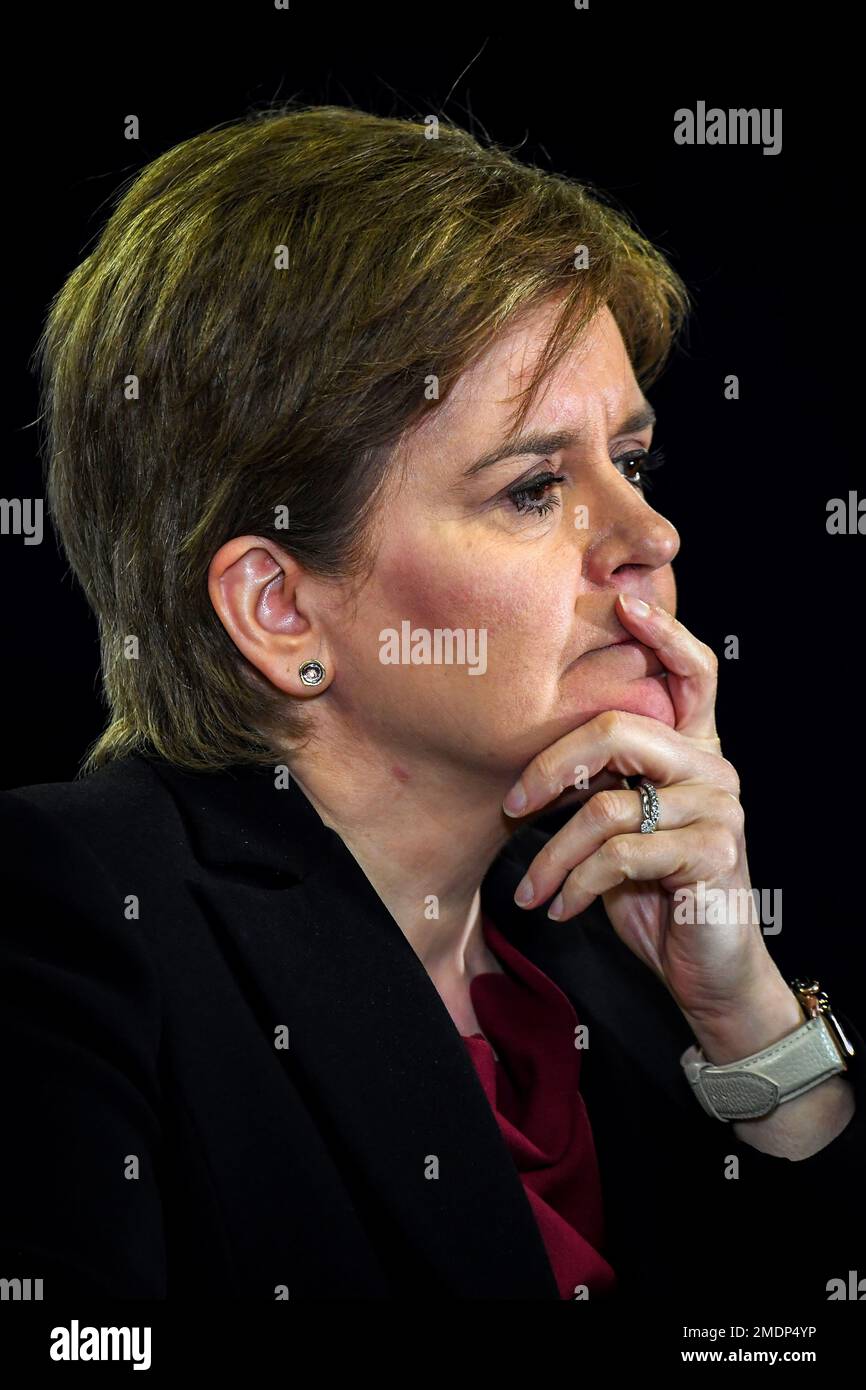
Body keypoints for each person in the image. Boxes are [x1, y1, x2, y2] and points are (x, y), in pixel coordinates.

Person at [2, 104, 863, 1304]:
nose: (650, 537)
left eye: (632, 461)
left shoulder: (598, 942)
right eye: (530, 489)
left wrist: (742, 1015)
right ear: (281, 611)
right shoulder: (69, 912)